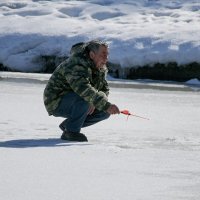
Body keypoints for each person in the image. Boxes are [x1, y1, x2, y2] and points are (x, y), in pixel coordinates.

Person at [43, 40, 120, 142]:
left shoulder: (100, 67)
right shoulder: (75, 64)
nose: (106, 58)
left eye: (107, 54)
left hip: (78, 100)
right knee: (87, 99)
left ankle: (68, 125)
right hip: (56, 101)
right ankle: (71, 132)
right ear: (92, 55)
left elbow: (104, 89)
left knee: (104, 112)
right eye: (103, 54)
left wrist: (99, 103)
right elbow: (82, 89)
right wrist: (102, 104)